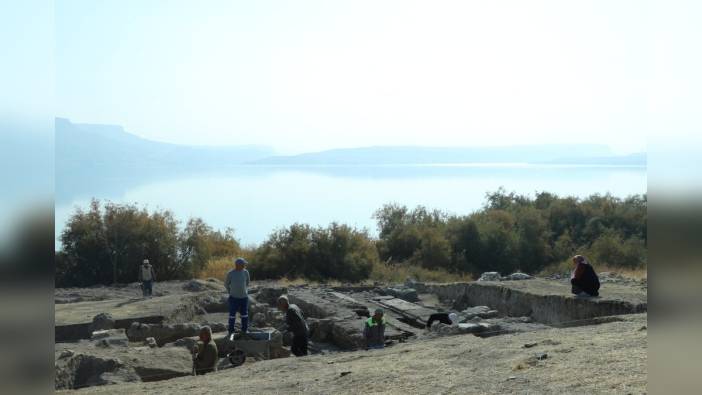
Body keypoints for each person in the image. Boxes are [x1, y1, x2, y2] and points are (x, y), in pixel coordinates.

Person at [225, 257, 250, 337]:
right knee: (232, 315)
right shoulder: (231, 273)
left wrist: (243, 290)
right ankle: (231, 330)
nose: (244, 266)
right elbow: (226, 284)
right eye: (243, 264)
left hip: (244, 297)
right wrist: (230, 292)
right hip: (233, 298)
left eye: (244, 264)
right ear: (238, 265)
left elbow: (247, 282)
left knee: (244, 315)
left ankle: (244, 330)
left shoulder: (246, 272)